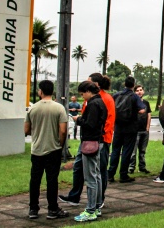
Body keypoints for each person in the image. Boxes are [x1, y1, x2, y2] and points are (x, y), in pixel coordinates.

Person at [59, 73, 114, 210]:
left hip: (97, 139)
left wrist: (103, 137)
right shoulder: (91, 99)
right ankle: (75, 196)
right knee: (79, 167)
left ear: (95, 85)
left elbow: (107, 120)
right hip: (88, 139)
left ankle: (97, 201)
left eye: (88, 82)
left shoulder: (103, 99)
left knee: (97, 171)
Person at [24, 80, 69, 220]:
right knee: (52, 180)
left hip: (37, 149)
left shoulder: (33, 108)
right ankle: (52, 209)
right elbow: (63, 131)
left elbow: (26, 130)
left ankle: (33, 209)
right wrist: (60, 145)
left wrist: (37, 133)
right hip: (53, 149)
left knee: (35, 180)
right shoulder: (59, 108)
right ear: (52, 91)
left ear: (40, 91)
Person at [72, 81, 107, 222]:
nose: (82, 97)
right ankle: (97, 206)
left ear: (88, 91)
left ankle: (91, 209)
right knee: (97, 175)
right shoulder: (101, 101)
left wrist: (78, 119)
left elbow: (90, 124)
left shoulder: (93, 104)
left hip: (90, 142)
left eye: (82, 94)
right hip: (99, 141)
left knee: (90, 177)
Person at [108, 76, 146, 183]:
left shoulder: (116, 95)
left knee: (115, 150)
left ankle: (110, 174)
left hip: (118, 127)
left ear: (124, 84)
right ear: (133, 85)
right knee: (126, 151)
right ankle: (123, 174)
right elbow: (142, 110)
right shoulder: (134, 97)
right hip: (131, 128)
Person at [128, 84, 151, 174]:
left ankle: (142, 167)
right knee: (133, 151)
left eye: (141, 90)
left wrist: (148, 128)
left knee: (142, 151)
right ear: (134, 92)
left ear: (143, 91)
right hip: (135, 130)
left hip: (144, 130)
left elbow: (149, 115)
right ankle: (131, 167)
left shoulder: (146, 103)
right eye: (137, 90)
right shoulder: (132, 103)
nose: (139, 92)